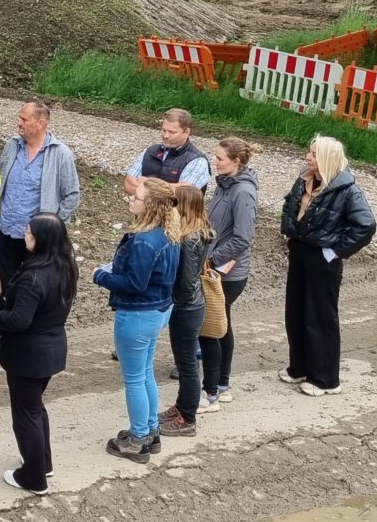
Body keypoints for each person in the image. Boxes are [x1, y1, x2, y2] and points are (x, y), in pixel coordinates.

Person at [279, 137, 376, 396]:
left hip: (323, 258)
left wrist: (334, 252)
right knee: (296, 311)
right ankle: (299, 367)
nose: (307, 157)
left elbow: (366, 226)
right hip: (299, 249)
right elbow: (289, 203)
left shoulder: (348, 190)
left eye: (313, 153)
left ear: (326, 159)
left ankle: (326, 379)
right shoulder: (305, 177)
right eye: (309, 151)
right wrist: (287, 231)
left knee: (320, 317)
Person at [94, 178, 180, 463]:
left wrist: (101, 276)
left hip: (137, 315)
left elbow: (134, 283)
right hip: (158, 311)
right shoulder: (168, 233)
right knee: (145, 373)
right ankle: (151, 431)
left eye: (137, 197)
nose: (131, 199)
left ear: (151, 206)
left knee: (133, 379)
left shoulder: (144, 241)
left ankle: (138, 438)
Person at [0, 214, 76, 495]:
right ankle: (42, 462)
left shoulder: (33, 277)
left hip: (28, 355)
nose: (24, 235)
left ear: (40, 239)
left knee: (26, 413)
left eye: (29, 232)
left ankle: (33, 478)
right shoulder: (65, 266)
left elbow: (19, 320)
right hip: (51, 349)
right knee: (35, 408)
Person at [0, 100, 81, 354]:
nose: (18, 123)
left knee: (32, 287)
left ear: (41, 123)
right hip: (7, 230)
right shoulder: (12, 146)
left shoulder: (60, 154)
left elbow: (72, 195)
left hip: (37, 239)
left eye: (24, 119)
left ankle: (28, 339)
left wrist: (52, 227)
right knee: (3, 287)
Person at [200, 138, 259, 411]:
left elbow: (243, 238)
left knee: (212, 326)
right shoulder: (224, 185)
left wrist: (211, 259)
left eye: (220, 158)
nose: (216, 162)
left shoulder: (243, 192)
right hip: (216, 268)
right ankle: (222, 384)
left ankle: (213, 389)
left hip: (228, 274)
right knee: (222, 325)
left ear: (237, 162)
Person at [160, 184, 212, 438]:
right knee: (186, 361)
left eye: (174, 203)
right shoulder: (198, 232)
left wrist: (172, 301)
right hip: (190, 305)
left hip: (186, 307)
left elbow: (187, 280)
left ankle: (188, 417)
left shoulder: (189, 239)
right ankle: (181, 407)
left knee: (187, 364)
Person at [126, 108, 212, 198]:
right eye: (163, 130)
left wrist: (147, 185)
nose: (165, 136)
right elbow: (129, 184)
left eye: (172, 132)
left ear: (186, 132)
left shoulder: (197, 161)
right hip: (145, 212)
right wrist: (169, 189)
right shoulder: (150, 151)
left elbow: (184, 195)